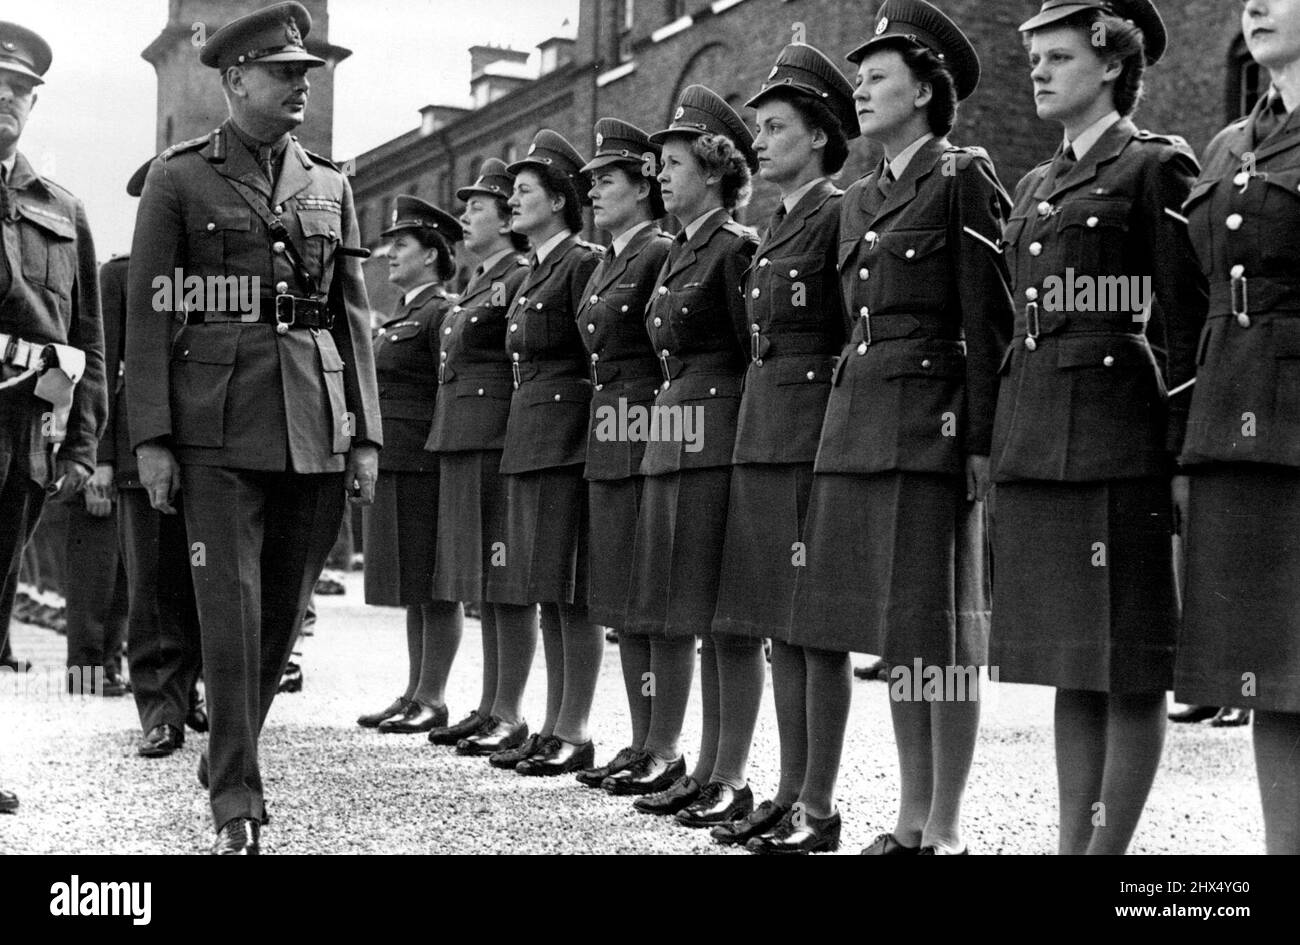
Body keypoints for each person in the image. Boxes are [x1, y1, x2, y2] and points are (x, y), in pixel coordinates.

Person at [126, 2, 381, 854]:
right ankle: (238, 795)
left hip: (314, 416)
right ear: (235, 79)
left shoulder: (331, 185)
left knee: (282, 612)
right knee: (227, 610)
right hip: (215, 425)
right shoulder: (178, 178)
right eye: (284, 73)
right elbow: (151, 315)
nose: (301, 86)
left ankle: (229, 749)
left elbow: (353, 315)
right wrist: (152, 437)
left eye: (308, 74)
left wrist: (367, 434)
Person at [786, 0, 1011, 856]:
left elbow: (987, 321)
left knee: (939, 634)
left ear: (924, 89)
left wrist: (982, 440)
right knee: (895, 629)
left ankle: (942, 825)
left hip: (931, 421)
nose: (862, 89)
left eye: (877, 76)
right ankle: (909, 816)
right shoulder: (861, 198)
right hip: (859, 419)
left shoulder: (962, 177)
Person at [990, 0, 1205, 855]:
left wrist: (1183, 449)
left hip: (1121, 435)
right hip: (1041, 431)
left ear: (1112, 63)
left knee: (1128, 665)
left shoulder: (1154, 166)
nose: (1037, 71)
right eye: (1033, 57)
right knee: (1071, 662)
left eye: (1058, 56)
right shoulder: (1039, 184)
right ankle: (1070, 847)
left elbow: (1186, 323)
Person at [704, 42, 855, 847]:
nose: (758, 141)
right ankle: (791, 790)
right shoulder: (779, 223)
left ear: (822, 137)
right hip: (763, 433)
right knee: (777, 624)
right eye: (757, 128)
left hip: (809, 436)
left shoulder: (839, 213)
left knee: (812, 626)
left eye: (776, 126)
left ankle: (819, 805)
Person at [1175, 0, 1300, 854]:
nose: (1254, 4)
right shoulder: (1228, 146)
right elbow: (1188, 304)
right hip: (1233, 422)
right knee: (1273, 670)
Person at [615, 86, 759, 820]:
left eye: (672, 164)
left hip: (715, 437)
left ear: (713, 168)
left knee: (727, 616)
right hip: (671, 439)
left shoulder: (734, 248)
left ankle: (728, 769)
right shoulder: (678, 253)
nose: (660, 176)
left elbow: (750, 353)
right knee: (692, 609)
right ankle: (702, 764)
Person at [464, 130, 603, 776]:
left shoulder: (581, 262)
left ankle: (571, 726)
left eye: (524, 192)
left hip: (566, 438)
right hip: (530, 435)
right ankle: (550, 721)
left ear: (559, 199)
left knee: (570, 590)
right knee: (546, 586)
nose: (512, 202)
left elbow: (597, 357)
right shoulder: (537, 268)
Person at [0, 20, 106, 816]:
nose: (5, 99)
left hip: (21, 448)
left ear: (34, 103)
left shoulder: (61, 210)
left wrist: (82, 445)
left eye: (19, 91)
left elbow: (87, 342)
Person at [571, 119, 672, 788]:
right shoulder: (608, 259)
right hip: (608, 426)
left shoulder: (658, 251)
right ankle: (639, 739)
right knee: (622, 597)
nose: (595, 192)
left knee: (655, 597)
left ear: (643, 187)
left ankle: (663, 745)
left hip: (650, 423)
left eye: (607, 180)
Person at [424, 159, 530, 749]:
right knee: (482, 580)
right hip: (466, 433)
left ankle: (508, 709)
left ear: (507, 219)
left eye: (477, 209)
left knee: (503, 575)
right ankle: (490, 704)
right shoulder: (478, 280)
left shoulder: (516, 275)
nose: (465, 218)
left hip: (495, 433)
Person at [107, 163, 207, 758]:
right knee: (150, 586)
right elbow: (103, 367)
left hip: (210, 444)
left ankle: (191, 692)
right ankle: (158, 710)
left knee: (206, 581)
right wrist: (101, 458)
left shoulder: (215, 278)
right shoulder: (120, 276)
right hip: (135, 453)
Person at [357, 196, 464, 734]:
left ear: (432, 255)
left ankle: (433, 696)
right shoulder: (404, 315)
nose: (389, 254)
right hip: (400, 461)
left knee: (433, 584)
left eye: (401, 245)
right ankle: (414, 691)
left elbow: (448, 392)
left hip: (425, 461)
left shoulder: (441, 312)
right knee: (412, 586)